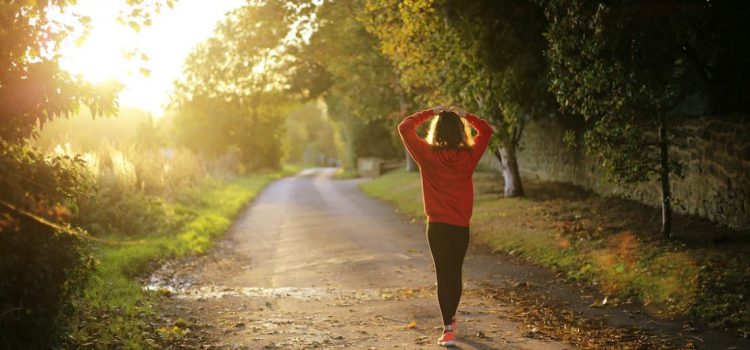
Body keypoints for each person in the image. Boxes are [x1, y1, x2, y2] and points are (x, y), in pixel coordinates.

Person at [398, 105, 492, 347]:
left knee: (443, 274)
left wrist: (431, 111)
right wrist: (466, 115)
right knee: (455, 273)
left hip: (437, 227)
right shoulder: (469, 156)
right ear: (460, 132)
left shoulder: (426, 154)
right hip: (460, 226)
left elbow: (405, 127)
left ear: (436, 130)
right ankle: (451, 319)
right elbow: (486, 131)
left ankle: (448, 328)